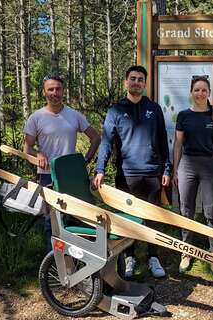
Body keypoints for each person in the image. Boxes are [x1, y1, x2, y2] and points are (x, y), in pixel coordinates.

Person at [92, 65, 171, 278]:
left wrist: (166, 168)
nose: (136, 82)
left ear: (145, 84)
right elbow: (107, 143)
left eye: (140, 79)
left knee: (153, 217)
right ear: (126, 82)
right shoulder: (116, 110)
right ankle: (130, 258)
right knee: (127, 219)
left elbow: (163, 141)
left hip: (152, 173)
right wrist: (100, 169)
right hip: (126, 175)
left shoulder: (154, 109)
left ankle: (153, 257)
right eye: (133, 79)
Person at [24, 74, 101, 251]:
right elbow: (27, 149)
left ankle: (76, 258)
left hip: (71, 179)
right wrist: (39, 154)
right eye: (50, 89)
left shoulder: (73, 115)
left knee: (75, 218)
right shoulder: (36, 118)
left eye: (58, 89)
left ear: (63, 91)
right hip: (46, 177)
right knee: (51, 222)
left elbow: (95, 138)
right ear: (44, 92)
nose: (55, 93)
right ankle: (53, 263)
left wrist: (85, 160)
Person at [172, 75, 213, 273]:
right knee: (186, 211)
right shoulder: (183, 115)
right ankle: (186, 252)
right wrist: (175, 169)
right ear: (191, 92)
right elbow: (178, 144)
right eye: (197, 89)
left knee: (212, 211)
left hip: (210, 166)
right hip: (187, 165)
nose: (200, 93)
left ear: (209, 93)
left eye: (204, 90)